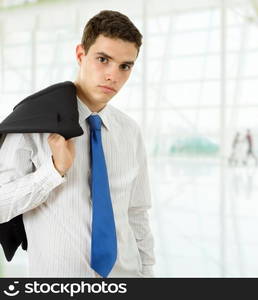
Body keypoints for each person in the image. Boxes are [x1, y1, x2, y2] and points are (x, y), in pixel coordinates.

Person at [0, 10, 155, 277]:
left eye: (124, 66)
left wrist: (148, 274)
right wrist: (53, 172)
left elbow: (136, 213)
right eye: (103, 59)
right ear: (81, 54)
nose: (112, 76)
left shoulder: (130, 132)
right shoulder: (33, 125)